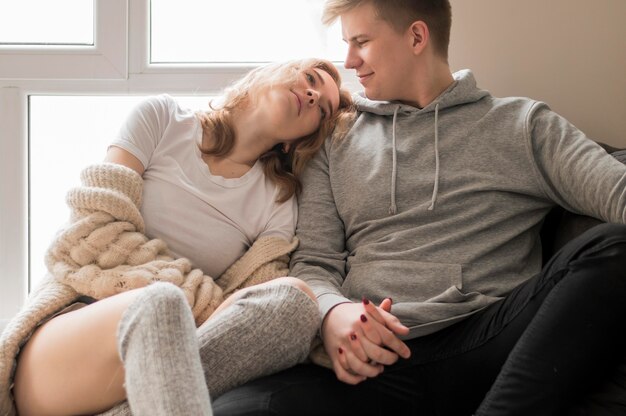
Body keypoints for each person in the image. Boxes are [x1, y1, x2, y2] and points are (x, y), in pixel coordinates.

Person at [211, 1, 626, 415]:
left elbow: (616, 192)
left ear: (415, 37)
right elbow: (315, 261)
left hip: (484, 344)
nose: (350, 60)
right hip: (372, 361)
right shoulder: (335, 141)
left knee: (611, 247)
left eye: (361, 42)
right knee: (234, 408)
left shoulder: (522, 125)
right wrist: (332, 313)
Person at [0, 58, 353, 416]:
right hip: (65, 346)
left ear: (297, 142)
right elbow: (91, 233)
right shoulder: (163, 119)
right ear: (270, 71)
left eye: (321, 110)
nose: (311, 95)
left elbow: (239, 320)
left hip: (164, 372)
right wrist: (185, 298)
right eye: (310, 79)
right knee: (160, 303)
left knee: (295, 301)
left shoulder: (277, 203)